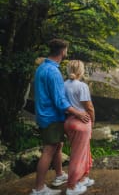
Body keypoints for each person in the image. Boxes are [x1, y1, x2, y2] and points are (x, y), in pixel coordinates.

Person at [31, 39, 90, 195]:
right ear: (63, 51)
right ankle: (39, 189)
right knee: (49, 150)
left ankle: (59, 175)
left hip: (43, 114)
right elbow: (60, 101)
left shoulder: (42, 67)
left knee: (58, 146)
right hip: (52, 116)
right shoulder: (53, 72)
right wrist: (78, 113)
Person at [64, 60, 95, 195]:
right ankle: (71, 187)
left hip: (68, 122)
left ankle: (83, 178)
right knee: (78, 155)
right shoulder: (82, 86)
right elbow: (89, 107)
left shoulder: (63, 85)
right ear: (81, 71)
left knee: (84, 151)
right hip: (82, 122)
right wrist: (93, 122)